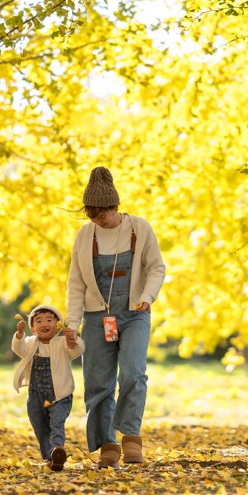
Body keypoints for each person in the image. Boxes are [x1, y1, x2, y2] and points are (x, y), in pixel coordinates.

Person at [66, 166, 166, 468]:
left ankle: (131, 437)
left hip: (135, 313)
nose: (99, 219)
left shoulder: (139, 228)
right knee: (98, 382)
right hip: (98, 318)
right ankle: (107, 443)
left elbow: (156, 268)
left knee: (133, 374)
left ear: (116, 206)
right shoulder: (85, 237)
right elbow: (76, 283)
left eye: (103, 213)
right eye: (92, 214)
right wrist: (72, 323)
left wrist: (147, 297)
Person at [12, 304, 85, 471]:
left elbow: (77, 350)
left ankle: (57, 449)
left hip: (60, 394)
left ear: (58, 325)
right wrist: (19, 335)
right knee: (39, 424)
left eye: (49, 320)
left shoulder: (62, 343)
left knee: (57, 422)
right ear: (33, 328)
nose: (44, 323)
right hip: (37, 395)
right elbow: (18, 348)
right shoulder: (30, 343)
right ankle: (49, 456)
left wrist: (73, 339)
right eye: (39, 321)